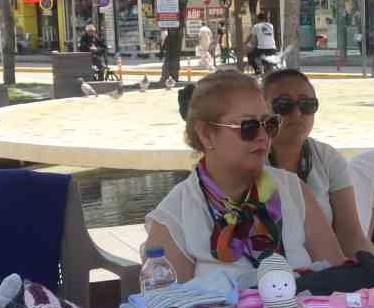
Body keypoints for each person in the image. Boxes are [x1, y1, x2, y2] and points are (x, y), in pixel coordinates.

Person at [143, 70, 344, 285]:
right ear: (206, 134)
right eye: (248, 127)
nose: (263, 136)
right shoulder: (175, 217)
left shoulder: (292, 190)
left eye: (269, 124)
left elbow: (340, 278)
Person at [262, 68, 374, 260]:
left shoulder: (327, 158)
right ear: (261, 110)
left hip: (323, 276)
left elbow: (350, 234)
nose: (297, 113)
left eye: (307, 104)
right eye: (284, 105)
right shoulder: (249, 158)